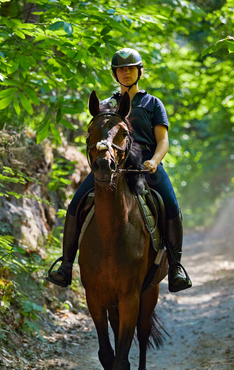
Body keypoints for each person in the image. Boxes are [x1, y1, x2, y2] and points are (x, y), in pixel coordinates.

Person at [47, 48, 192, 293]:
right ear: (115, 74)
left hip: (145, 163)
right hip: (114, 164)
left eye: (130, 68)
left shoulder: (153, 103)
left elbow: (163, 140)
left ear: (139, 71)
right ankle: (66, 265)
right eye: (121, 69)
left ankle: (176, 266)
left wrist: (155, 161)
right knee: (75, 205)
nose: (125, 73)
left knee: (171, 204)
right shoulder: (107, 104)